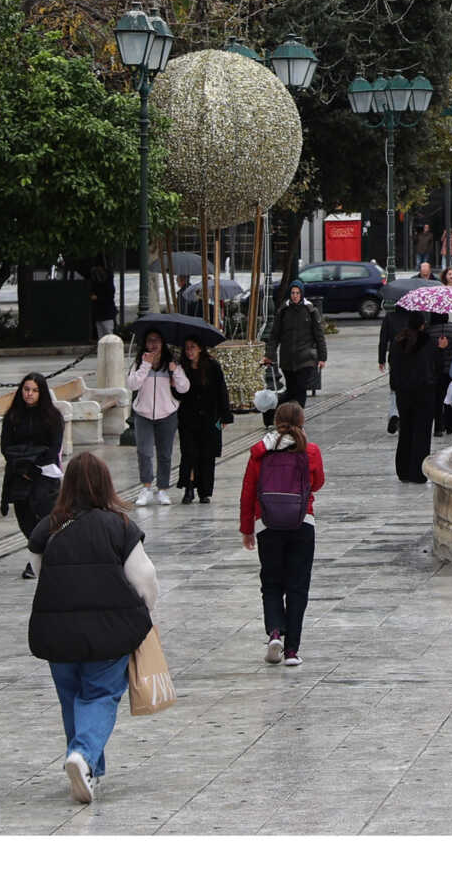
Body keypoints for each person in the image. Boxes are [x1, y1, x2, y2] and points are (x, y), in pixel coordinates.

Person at [28, 453, 160, 805]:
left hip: (57, 631)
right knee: (100, 696)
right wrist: (143, 611)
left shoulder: (48, 527)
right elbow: (144, 577)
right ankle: (83, 755)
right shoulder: (120, 526)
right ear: (106, 484)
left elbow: (41, 573)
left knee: (71, 700)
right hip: (108, 631)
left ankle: (90, 771)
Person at [241, 403, 326, 667]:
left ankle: (275, 631)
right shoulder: (310, 451)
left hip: (267, 525)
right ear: (302, 421)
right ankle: (291, 650)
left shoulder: (259, 453)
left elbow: (247, 492)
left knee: (271, 583)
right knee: (298, 586)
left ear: (275, 421)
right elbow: (318, 482)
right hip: (303, 523)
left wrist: (247, 529)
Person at [0, 372, 68, 575]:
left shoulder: (53, 417)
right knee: (24, 517)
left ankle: (39, 558)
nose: (29, 394)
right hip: (18, 474)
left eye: (34, 390)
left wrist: (33, 465)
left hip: (44, 474)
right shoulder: (12, 416)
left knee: (44, 516)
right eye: (26, 389)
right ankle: (39, 552)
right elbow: (6, 447)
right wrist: (23, 467)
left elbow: (53, 448)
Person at [125, 325, 188, 506]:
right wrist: (145, 365)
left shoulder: (170, 364)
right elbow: (132, 384)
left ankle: (162, 489)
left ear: (162, 343)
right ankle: (146, 488)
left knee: (165, 454)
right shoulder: (139, 363)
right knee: (144, 452)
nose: (153, 344)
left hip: (167, 414)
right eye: (149, 341)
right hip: (143, 414)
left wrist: (175, 370)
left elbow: (185, 387)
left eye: (156, 341)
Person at [174, 335, 234, 505]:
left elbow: (222, 391)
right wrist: (173, 384)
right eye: (186, 348)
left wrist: (225, 415)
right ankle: (189, 487)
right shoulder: (181, 368)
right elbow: (179, 394)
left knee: (207, 455)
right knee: (189, 453)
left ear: (200, 348)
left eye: (192, 347)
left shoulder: (212, 366)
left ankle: (204, 491)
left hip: (209, 417)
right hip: (188, 417)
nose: (189, 351)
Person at [388, 312, 441, 484]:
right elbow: (437, 367)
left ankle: (403, 470)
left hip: (403, 393)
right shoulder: (429, 342)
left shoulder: (397, 342)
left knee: (406, 430)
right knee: (422, 433)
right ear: (422, 325)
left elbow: (393, 365)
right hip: (424, 392)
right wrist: (441, 349)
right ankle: (418, 472)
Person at [265, 282, 326, 411]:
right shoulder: (284, 311)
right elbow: (274, 336)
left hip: (305, 359)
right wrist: (270, 355)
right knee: (291, 391)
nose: (295, 296)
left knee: (300, 390)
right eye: (293, 293)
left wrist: (322, 358)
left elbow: (319, 336)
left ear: (302, 294)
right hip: (287, 359)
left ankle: (298, 420)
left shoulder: (310, 310)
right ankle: (272, 413)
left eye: (297, 293)